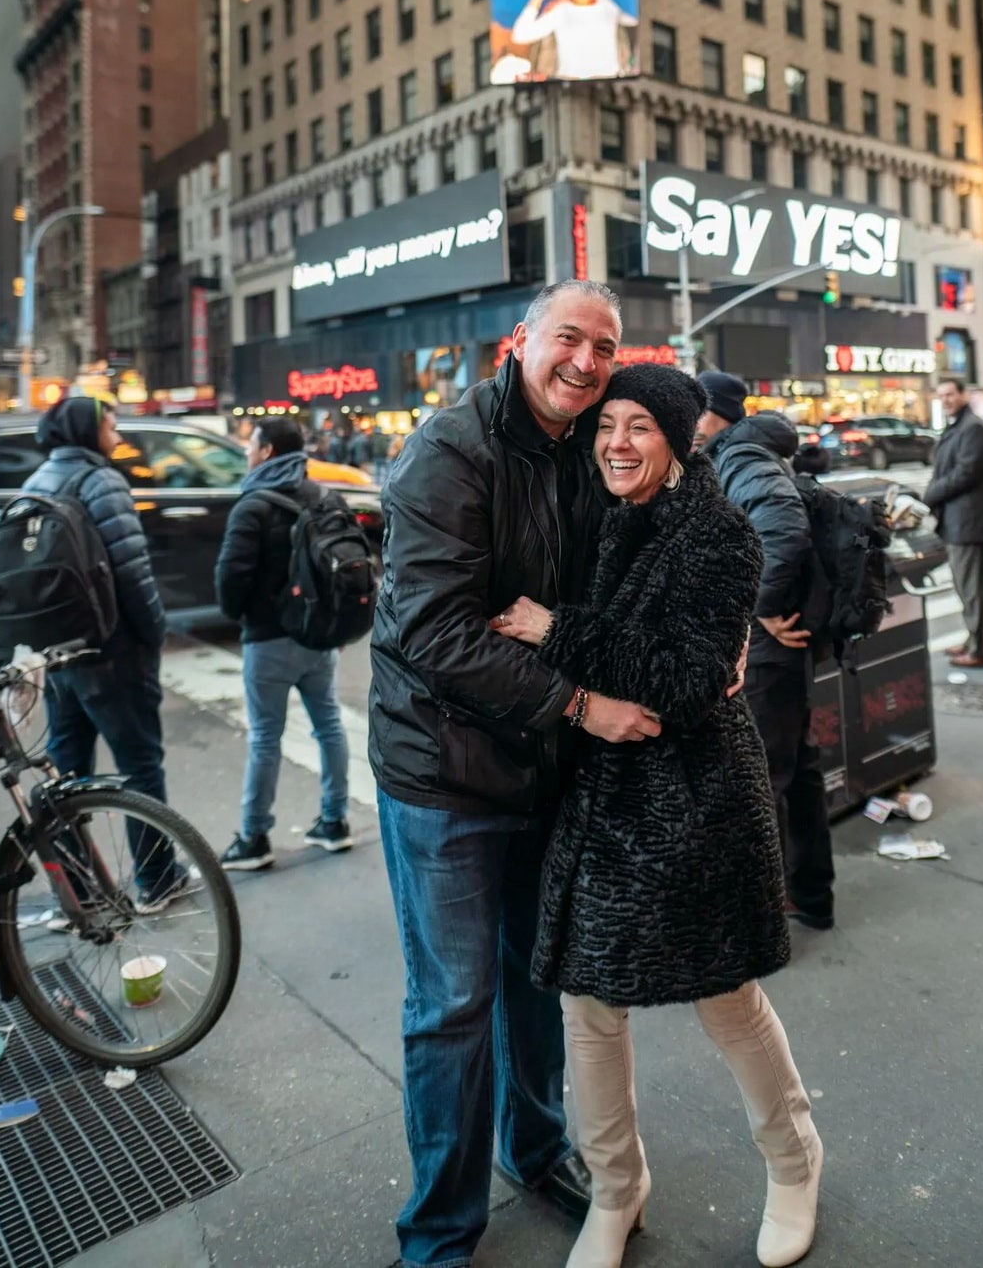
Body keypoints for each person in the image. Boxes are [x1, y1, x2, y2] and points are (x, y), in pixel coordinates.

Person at [495, 365, 822, 1268]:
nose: (618, 443)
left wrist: (556, 629)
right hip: (600, 794)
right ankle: (615, 1185)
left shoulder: (720, 534)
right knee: (589, 1003)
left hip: (697, 796)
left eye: (641, 426)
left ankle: (794, 1162)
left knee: (726, 996)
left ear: (678, 439)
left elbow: (686, 682)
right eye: (609, 426)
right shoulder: (596, 513)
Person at [370, 281, 658, 1268]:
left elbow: (632, 560)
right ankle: (440, 1230)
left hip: (541, 768)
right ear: (520, 339)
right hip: (442, 771)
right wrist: (578, 702)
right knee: (451, 1004)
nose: (585, 359)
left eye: (604, 346)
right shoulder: (452, 449)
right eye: (568, 338)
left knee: (536, 981)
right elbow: (433, 629)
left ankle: (536, 1151)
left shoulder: (590, 443)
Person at [22, 396, 183, 911]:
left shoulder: (35, 482)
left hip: (59, 658)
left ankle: (78, 893)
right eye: (111, 424)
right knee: (140, 766)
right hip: (111, 652)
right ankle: (158, 880)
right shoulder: (102, 482)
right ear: (89, 431)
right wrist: (154, 632)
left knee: (68, 778)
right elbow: (133, 571)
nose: (116, 434)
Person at [694, 369, 835, 933]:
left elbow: (783, 528)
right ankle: (810, 898)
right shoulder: (743, 451)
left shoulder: (741, 457)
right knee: (795, 772)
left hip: (769, 654)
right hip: (780, 651)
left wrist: (756, 607)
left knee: (761, 782)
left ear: (714, 414)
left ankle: (763, 921)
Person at [215, 417, 352, 869]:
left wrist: (242, 615)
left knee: (266, 740)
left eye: (252, 443)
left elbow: (229, 584)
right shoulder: (323, 496)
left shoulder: (251, 506)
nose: (248, 451)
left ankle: (254, 838)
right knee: (329, 725)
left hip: (268, 641)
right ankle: (334, 822)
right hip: (317, 637)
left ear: (268, 450)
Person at [923, 379, 983, 668]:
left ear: (964, 395)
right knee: (966, 587)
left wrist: (930, 495)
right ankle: (974, 640)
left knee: (972, 589)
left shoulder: (973, 428)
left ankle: (982, 649)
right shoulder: (958, 426)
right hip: (956, 519)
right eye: (941, 395)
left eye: (950, 394)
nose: (946, 400)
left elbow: (965, 473)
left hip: (967, 520)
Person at [510, 0, 637, 79]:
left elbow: (633, 20)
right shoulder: (561, 11)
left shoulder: (607, 3)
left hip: (610, 80)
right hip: (571, 81)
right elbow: (520, 35)